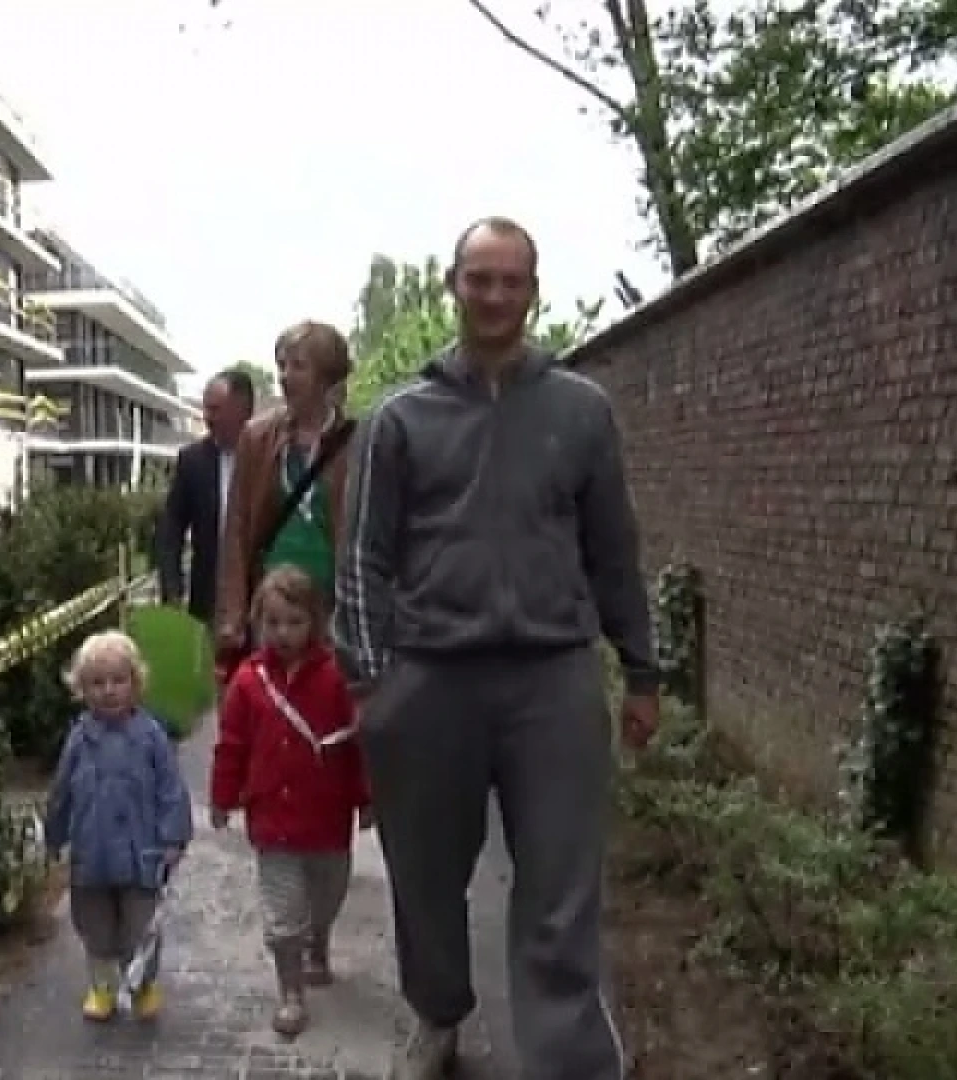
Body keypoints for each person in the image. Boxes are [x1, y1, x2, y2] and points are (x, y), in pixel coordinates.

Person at [333, 216, 662, 1080]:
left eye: (511, 281)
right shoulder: (399, 419)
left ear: (532, 291)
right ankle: (438, 1015)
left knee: (560, 879)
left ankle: (567, 1057)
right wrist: (370, 684)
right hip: (430, 679)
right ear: (454, 286)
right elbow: (362, 557)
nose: (494, 296)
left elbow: (614, 550)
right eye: (479, 278)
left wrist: (641, 668)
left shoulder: (581, 410)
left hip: (552, 679)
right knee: (427, 876)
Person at [209, 565, 370, 1038]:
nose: (282, 633)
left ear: (316, 622)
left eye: (294, 622)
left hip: (327, 819)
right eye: (272, 622)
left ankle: (318, 940)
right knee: (283, 915)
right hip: (272, 821)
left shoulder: (338, 677)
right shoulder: (248, 682)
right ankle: (290, 991)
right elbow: (231, 745)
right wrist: (222, 797)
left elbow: (357, 744)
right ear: (259, 622)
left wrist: (367, 800)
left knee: (327, 895)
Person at [43, 630, 194, 1023]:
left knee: (141, 927)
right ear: (82, 689)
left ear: (135, 683)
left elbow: (170, 789)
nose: (109, 691)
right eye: (97, 683)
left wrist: (173, 836)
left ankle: (143, 983)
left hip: (140, 854)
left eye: (118, 681)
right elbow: (61, 791)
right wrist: (54, 835)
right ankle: (103, 986)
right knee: (95, 929)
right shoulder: (79, 739)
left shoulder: (151, 737)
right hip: (91, 858)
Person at [213, 322, 355, 682]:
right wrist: (232, 617)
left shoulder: (358, 442)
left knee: (323, 708)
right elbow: (237, 530)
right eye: (281, 365)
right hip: (271, 607)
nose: (285, 377)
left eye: (298, 366)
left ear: (326, 376)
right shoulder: (256, 438)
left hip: (329, 608)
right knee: (271, 708)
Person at [157, 368, 257, 624]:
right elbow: (171, 528)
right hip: (208, 602)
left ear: (243, 410)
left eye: (215, 409)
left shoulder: (270, 456)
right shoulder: (192, 460)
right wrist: (172, 590)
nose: (207, 418)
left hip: (262, 600)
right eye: (206, 408)